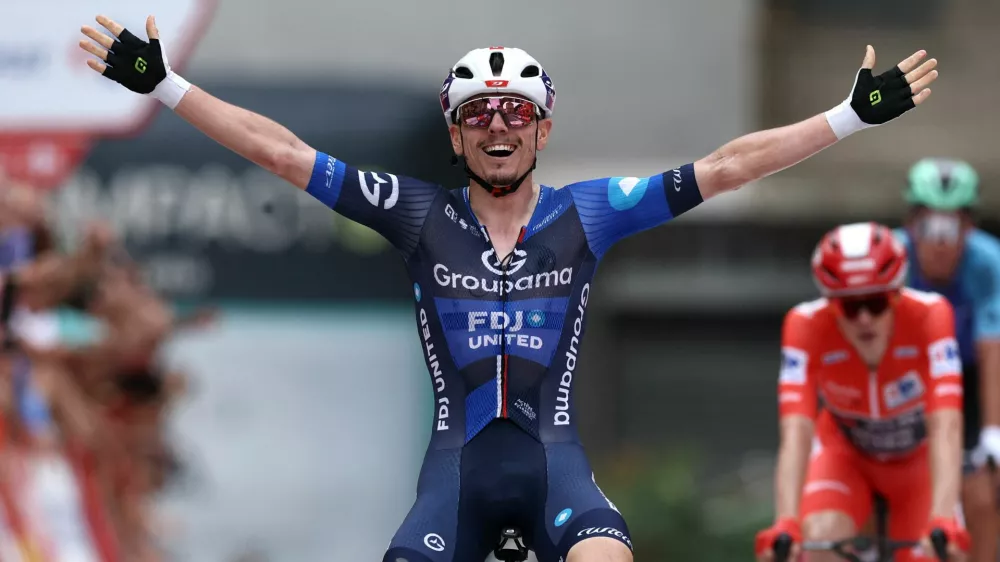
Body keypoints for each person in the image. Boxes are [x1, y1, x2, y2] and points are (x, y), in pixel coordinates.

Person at [78, 13, 940, 562]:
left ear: (544, 129)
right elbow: (279, 151)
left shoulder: (593, 213)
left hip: (555, 468)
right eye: (478, 115)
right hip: (452, 481)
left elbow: (726, 165)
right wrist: (168, 85)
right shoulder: (414, 214)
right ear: (454, 137)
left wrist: (850, 117)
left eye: (516, 113)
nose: (499, 127)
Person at [754, 222, 970, 562]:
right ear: (829, 302)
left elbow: (946, 422)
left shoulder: (932, 314)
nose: (865, 319)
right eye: (851, 307)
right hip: (844, 456)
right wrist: (785, 521)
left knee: (944, 550)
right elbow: (796, 430)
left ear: (898, 292)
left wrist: (942, 516)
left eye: (876, 302)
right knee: (819, 543)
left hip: (918, 463)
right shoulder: (804, 324)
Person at [894, 158, 1000, 562]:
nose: (940, 243)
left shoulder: (987, 261)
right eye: (930, 228)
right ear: (910, 224)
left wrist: (992, 433)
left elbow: (993, 348)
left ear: (969, 229)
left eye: (951, 229)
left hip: (971, 380)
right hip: (907, 380)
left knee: (982, 494)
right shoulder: (891, 255)